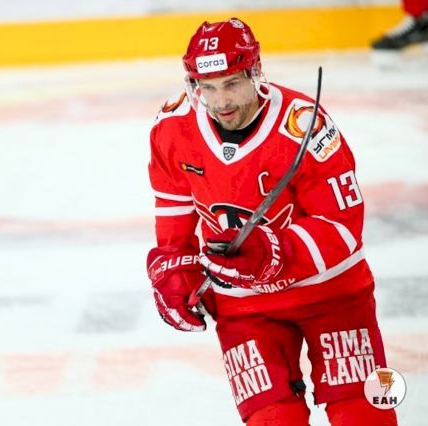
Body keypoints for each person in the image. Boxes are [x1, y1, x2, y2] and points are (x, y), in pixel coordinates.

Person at [146, 18, 398, 425]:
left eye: (231, 84)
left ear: (255, 72)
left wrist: (274, 252)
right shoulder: (173, 127)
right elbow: (173, 201)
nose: (220, 101)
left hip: (332, 293)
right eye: (207, 87)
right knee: (272, 418)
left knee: (362, 412)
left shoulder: (305, 126)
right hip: (243, 304)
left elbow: (342, 226)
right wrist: (175, 265)